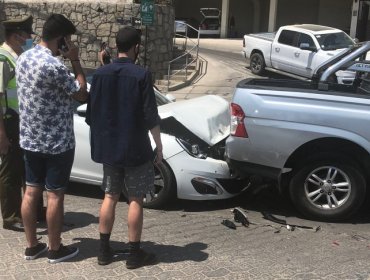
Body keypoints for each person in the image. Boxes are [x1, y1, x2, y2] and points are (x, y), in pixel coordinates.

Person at [86, 26, 163, 269]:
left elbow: (91, 115)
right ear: (136, 47)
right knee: (136, 199)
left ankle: (103, 251)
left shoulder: (99, 74)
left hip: (109, 149)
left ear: (115, 46)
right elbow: (150, 115)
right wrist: (158, 146)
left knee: (109, 196)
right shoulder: (141, 75)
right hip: (135, 149)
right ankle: (133, 254)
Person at [16, 14, 88, 263]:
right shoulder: (55, 66)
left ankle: (32, 246)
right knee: (55, 195)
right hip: (57, 143)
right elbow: (81, 93)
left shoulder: (23, 58)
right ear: (62, 39)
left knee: (30, 193)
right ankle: (55, 249)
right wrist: (75, 59)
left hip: (30, 139)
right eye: (67, 39)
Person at [0, 15, 45, 232]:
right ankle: (10, 216)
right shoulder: (2, 58)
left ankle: (33, 211)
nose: (29, 39)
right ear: (17, 36)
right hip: (9, 122)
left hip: (24, 122)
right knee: (10, 171)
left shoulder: (19, 56)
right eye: (27, 35)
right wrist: (1, 134)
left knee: (29, 169)